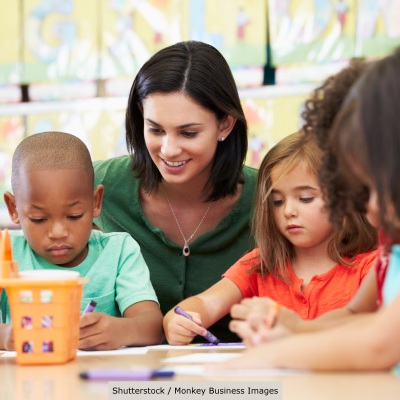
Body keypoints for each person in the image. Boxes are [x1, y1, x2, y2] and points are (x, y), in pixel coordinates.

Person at [212, 47, 400, 372]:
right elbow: (357, 316)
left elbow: (378, 344)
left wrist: (271, 356)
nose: (366, 208)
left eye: (373, 189)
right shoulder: (391, 244)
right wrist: (294, 328)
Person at [93, 40, 257, 342]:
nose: (168, 149)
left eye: (188, 132)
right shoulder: (99, 184)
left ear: (225, 125)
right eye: (155, 129)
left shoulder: (269, 196)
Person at [163, 131, 377, 345]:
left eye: (305, 198)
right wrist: (177, 320)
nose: (288, 211)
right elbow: (206, 303)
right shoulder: (261, 264)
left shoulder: (373, 267)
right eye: (277, 201)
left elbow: (375, 334)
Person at [0, 131, 163, 351]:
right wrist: (6, 335)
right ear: (13, 208)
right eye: (39, 219)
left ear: (96, 202)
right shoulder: (6, 254)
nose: (58, 232)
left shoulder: (119, 251)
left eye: (74, 216)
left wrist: (120, 331)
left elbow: (153, 327)